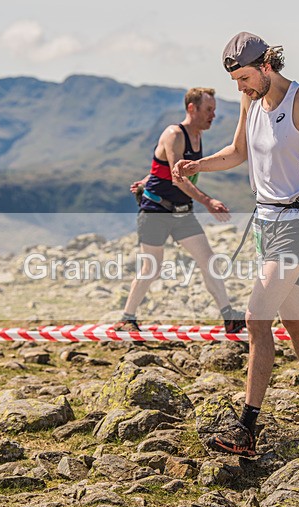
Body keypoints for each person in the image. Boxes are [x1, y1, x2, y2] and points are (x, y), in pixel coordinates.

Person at [173, 32, 299, 455]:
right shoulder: (251, 102)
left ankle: (246, 428)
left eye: (243, 78)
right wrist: (198, 164)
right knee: (294, 317)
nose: (239, 87)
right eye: (236, 81)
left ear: (267, 66)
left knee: (257, 319)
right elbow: (239, 152)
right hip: (266, 222)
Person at [114, 87, 245, 334]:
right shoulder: (175, 134)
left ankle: (229, 316)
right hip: (156, 211)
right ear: (191, 108)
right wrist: (208, 202)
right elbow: (177, 177)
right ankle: (126, 317)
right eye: (209, 110)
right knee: (151, 268)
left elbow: (161, 166)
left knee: (208, 261)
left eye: (214, 110)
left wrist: (145, 180)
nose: (213, 116)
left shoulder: (197, 135)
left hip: (182, 211)